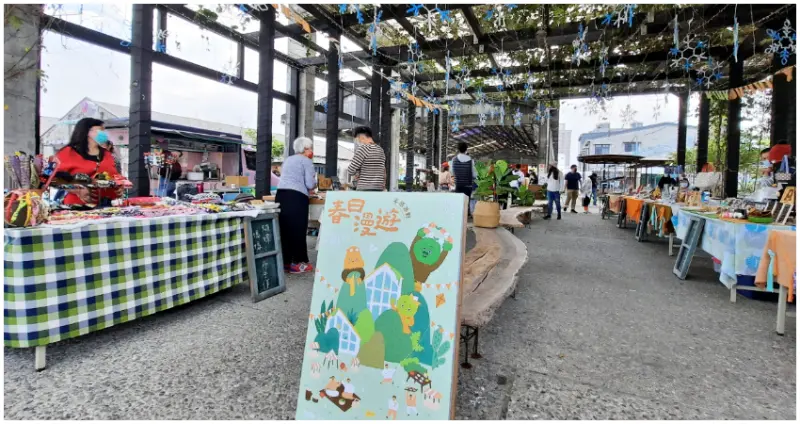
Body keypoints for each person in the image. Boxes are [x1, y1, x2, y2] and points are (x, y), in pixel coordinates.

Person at [53, 117, 123, 207]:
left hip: (108, 207)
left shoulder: (107, 154)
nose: (104, 133)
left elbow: (114, 176)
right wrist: (78, 190)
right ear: (87, 132)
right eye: (100, 130)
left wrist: (119, 186)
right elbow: (54, 180)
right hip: (78, 208)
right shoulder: (67, 153)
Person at [275, 137, 317, 274]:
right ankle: (299, 263)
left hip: (281, 195)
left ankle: (285, 262)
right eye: (310, 148)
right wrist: (314, 184)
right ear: (305, 149)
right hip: (296, 196)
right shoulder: (306, 161)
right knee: (298, 229)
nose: (311, 151)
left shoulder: (288, 160)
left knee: (285, 229)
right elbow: (310, 184)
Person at [348, 126, 386, 191]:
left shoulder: (363, 149)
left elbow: (351, 170)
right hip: (378, 189)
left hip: (364, 189)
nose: (358, 141)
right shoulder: (380, 150)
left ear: (361, 137)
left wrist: (357, 171)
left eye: (357, 139)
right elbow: (383, 171)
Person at [450, 142, 478, 213]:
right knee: (466, 203)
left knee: (459, 203)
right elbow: (475, 174)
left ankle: (459, 216)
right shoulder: (470, 160)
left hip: (458, 185)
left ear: (458, 149)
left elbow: (452, 172)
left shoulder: (454, 160)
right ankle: (466, 216)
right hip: (468, 186)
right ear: (466, 149)